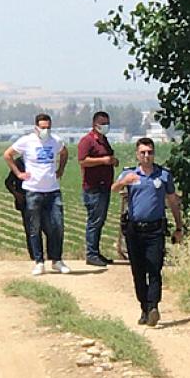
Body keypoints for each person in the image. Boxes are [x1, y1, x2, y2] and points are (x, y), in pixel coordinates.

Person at [111, 137, 183, 327]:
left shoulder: (163, 175)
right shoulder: (129, 174)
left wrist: (179, 227)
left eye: (150, 152)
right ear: (137, 154)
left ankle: (153, 307)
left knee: (155, 269)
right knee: (138, 271)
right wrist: (124, 182)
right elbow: (113, 188)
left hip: (155, 230)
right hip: (135, 230)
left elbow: (173, 201)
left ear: (154, 154)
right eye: (143, 152)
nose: (146, 156)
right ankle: (144, 307)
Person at [3, 113, 70, 275]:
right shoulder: (26, 141)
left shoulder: (56, 140)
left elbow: (64, 153)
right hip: (33, 190)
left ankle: (57, 260)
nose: (45, 130)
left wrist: (60, 169)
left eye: (48, 127)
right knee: (34, 227)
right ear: (36, 127)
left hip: (53, 190)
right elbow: (8, 155)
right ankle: (39, 261)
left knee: (57, 226)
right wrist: (19, 174)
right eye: (42, 127)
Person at [78, 111, 119, 266]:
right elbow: (82, 161)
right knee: (94, 221)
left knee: (100, 221)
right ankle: (91, 254)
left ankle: (96, 252)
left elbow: (108, 157)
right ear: (94, 124)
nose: (105, 126)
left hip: (104, 186)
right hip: (93, 188)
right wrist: (103, 160)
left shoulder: (104, 140)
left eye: (107, 122)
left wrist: (112, 161)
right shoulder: (87, 141)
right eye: (102, 123)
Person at [4, 156, 34, 260]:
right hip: (25, 200)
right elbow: (8, 182)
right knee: (30, 230)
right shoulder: (19, 162)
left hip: (41, 198)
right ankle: (34, 257)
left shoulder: (39, 160)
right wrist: (17, 195)